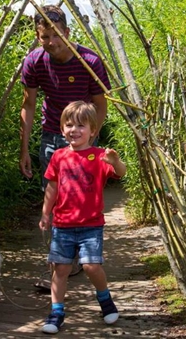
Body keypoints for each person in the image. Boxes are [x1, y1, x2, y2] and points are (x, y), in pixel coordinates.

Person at [38, 101, 126, 334]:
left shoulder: (99, 156)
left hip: (91, 225)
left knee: (91, 266)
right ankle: (57, 312)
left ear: (93, 131)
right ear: (61, 128)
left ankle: (105, 299)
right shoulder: (58, 156)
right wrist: (46, 213)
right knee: (60, 269)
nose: (74, 130)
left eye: (80, 125)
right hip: (62, 224)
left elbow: (120, 172)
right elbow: (52, 187)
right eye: (69, 125)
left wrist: (115, 161)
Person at [20, 4, 111, 191]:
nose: (52, 42)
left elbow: (101, 106)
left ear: (67, 32)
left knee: (82, 194)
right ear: (38, 37)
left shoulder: (89, 61)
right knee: (52, 194)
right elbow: (28, 105)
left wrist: (90, 139)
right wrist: (24, 149)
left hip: (83, 135)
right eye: (45, 37)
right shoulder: (34, 62)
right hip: (51, 136)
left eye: (57, 35)